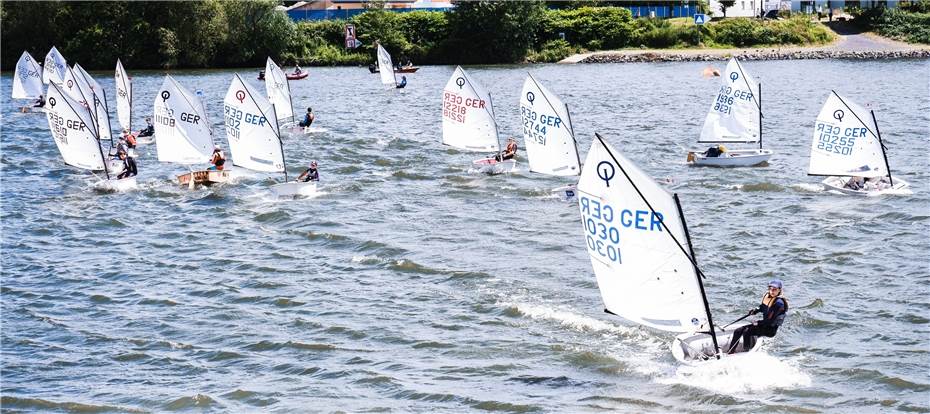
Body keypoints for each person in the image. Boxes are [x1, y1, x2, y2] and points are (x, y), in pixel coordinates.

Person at [727, 279, 788, 354]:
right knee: (738, 331)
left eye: (774, 289)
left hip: (770, 329)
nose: (772, 291)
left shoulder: (779, 303)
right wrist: (755, 310)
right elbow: (763, 307)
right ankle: (730, 352)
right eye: (770, 289)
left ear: (779, 290)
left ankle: (747, 352)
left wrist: (757, 323)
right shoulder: (768, 297)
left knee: (747, 331)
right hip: (764, 325)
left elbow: (770, 321)